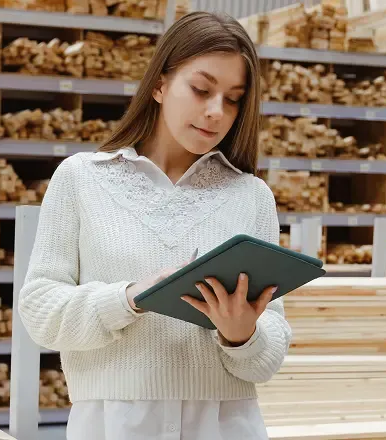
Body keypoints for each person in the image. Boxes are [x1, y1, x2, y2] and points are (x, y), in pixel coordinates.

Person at [18, 10, 292, 440]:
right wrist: (130, 298)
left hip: (224, 426)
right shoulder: (81, 178)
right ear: (160, 85)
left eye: (234, 98)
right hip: (112, 426)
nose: (216, 112)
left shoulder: (251, 196)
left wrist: (243, 336)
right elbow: (39, 310)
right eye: (201, 89)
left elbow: (270, 351)